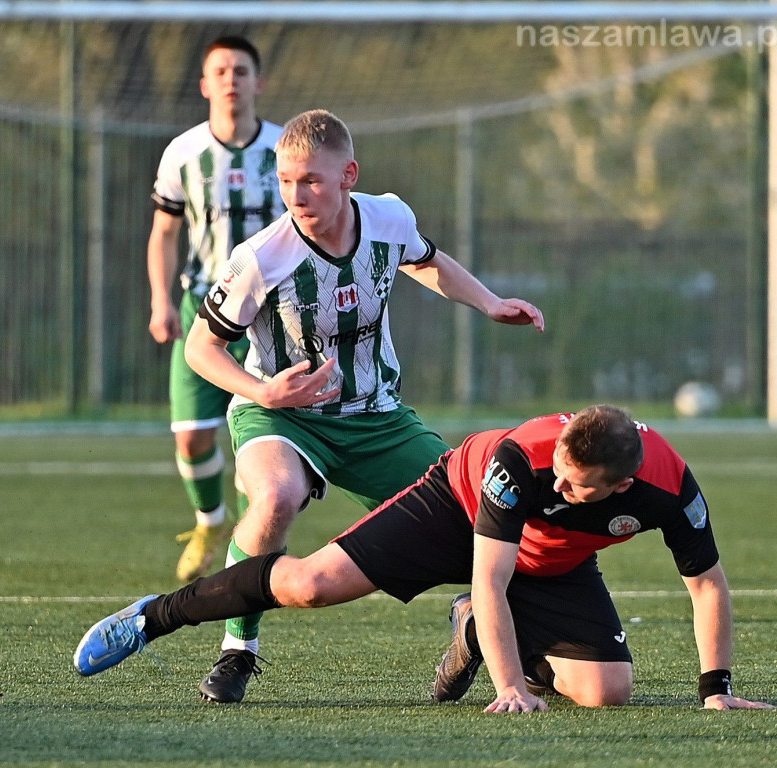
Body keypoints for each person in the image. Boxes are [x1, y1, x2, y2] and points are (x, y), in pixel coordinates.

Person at [129, 107, 544, 704]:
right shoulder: (260, 259)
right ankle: (237, 650)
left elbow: (425, 261)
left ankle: (478, 623)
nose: (296, 194)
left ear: (349, 175)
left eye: (312, 181)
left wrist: (489, 302)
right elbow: (201, 348)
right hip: (281, 416)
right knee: (274, 499)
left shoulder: (388, 217)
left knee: (484, 523)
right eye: (287, 181)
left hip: (377, 418)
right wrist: (264, 392)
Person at [73, 405, 773, 713]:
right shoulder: (520, 460)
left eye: (574, 486)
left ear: (621, 487)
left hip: (552, 563)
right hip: (459, 509)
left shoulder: (668, 486)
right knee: (311, 584)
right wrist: (508, 688)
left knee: (607, 692)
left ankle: (470, 632)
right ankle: (153, 617)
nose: (557, 487)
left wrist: (714, 686)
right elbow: (491, 576)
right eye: (558, 472)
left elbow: (707, 584)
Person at [147, 35, 286, 585]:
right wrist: (161, 301)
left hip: (273, 314)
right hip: (203, 306)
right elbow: (163, 232)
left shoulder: (284, 149)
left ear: (259, 82)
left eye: (241, 70)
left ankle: (252, 547)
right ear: (205, 84)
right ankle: (209, 521)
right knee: (192, 435)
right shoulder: (182, 152)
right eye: (221, 70)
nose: (231, 79)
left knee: (266, 449)